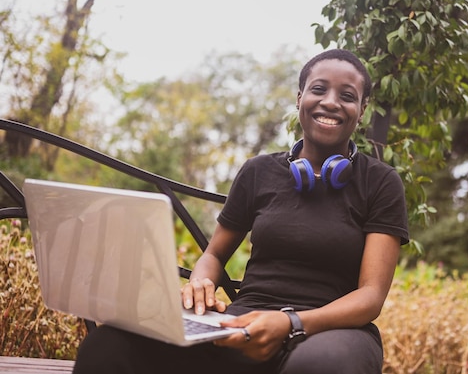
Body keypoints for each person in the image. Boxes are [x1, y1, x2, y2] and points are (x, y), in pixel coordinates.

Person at [72, 48, 409, 374]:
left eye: (347, 96)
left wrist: (290, 322)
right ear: (299, 98)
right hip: (243, 323)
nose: (331, 102)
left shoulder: (380, 182)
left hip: (331, 333)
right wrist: (202, 281)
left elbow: (370, 296)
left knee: (319, 367)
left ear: (362, 109)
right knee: (109, 344)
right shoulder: (258, 171)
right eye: (318, 89)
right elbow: (215, 255)